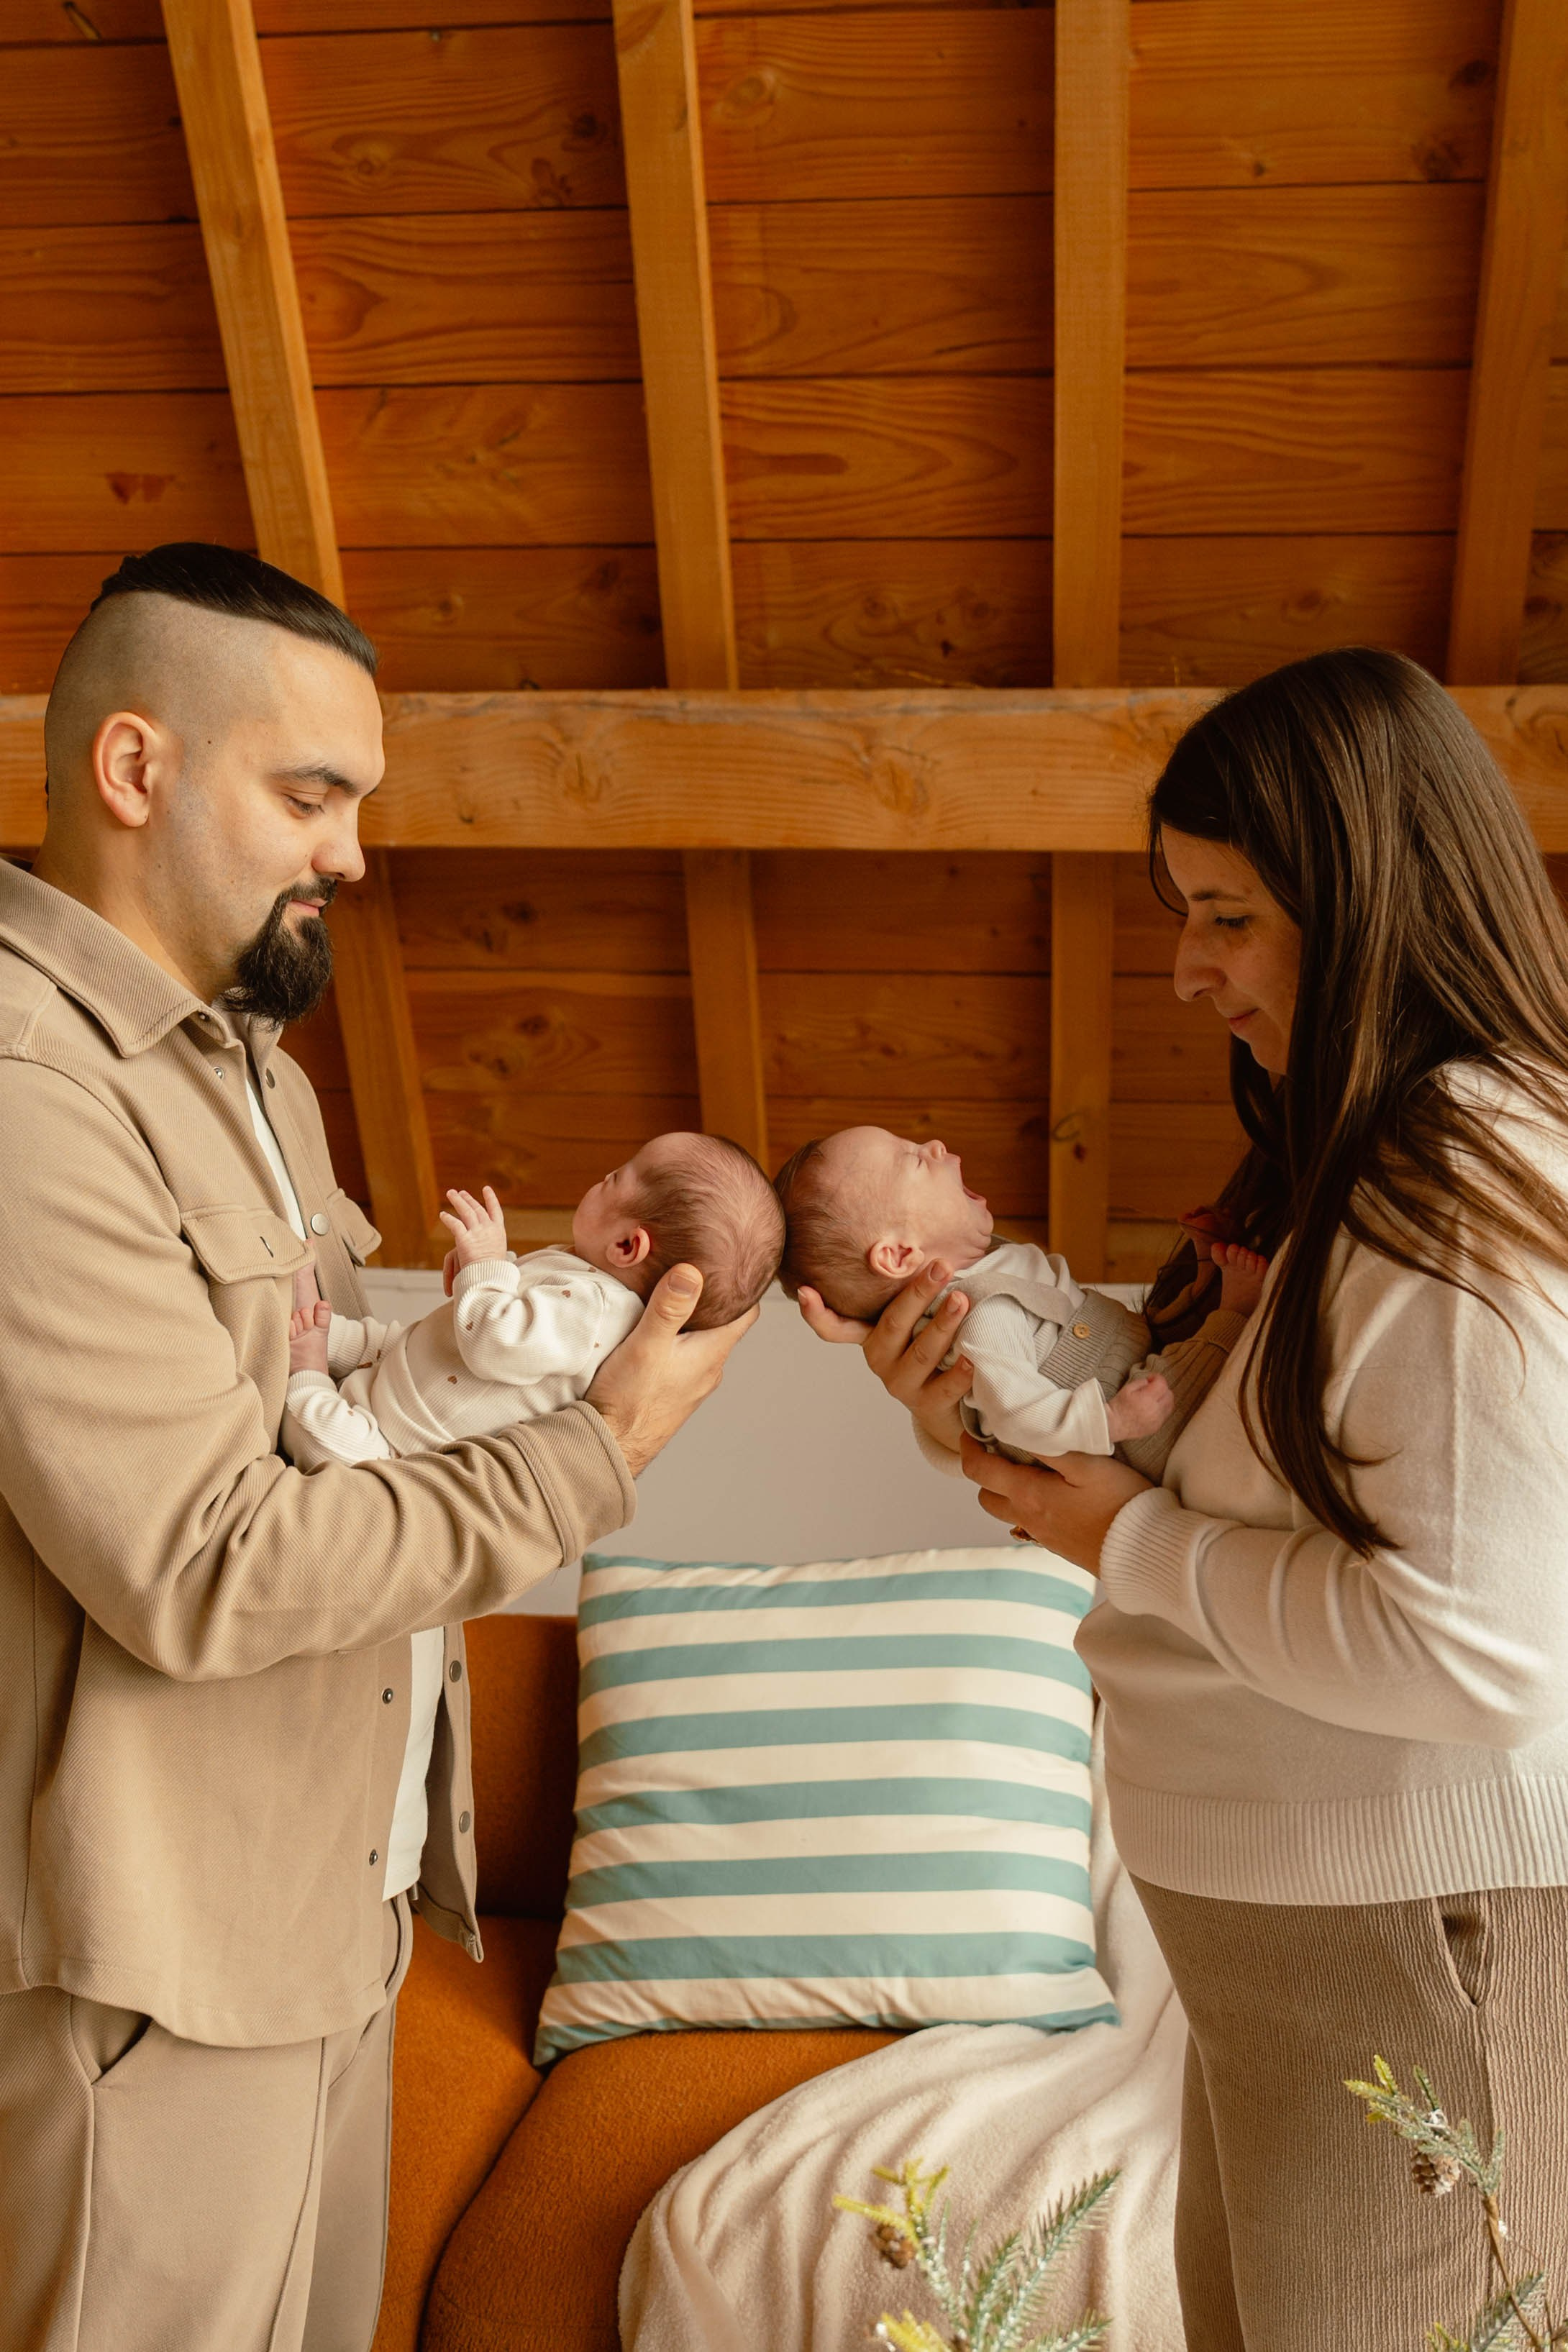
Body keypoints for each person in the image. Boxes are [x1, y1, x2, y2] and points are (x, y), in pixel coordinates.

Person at [0, 542, 756, 2352]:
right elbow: (202, 1562)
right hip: (151, 1974)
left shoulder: (260, 1070)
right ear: (134, 769)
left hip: (324, 1936)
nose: (350, 850)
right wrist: (596, 1448)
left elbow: (343, 1426)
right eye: (311, 794)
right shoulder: (30, 1087)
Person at [801, 647, 1568, 2348]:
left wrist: (1117, 1538)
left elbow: (1477, 1651)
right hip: (1303, 1959)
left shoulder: (1455, 1181)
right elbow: (1218, 1473)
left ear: (1361, 898)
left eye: (1224, 914)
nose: (1183, 971)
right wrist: (979, 1430)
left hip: (1406, 1946)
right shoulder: (1349, 1169)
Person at [778, 1121, 1266, 1478]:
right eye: (912, 1159)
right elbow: (1013, 1415)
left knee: (1167, 1334)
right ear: (900, 1252)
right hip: (1142, 1434)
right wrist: (1110, 1420)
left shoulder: (992, 1265)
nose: (935, 1144)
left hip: (1133, 1356)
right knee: (1185, 1378)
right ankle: (1236, 1311)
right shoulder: (982, 1315)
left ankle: (1207, 1279)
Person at [283, 1138, 784, 1469]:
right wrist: (480, 1272)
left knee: (331, 1446)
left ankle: (306, 1368)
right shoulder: (584, 1275)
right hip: (405, 1369)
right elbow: (512, 1308)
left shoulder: (599, 1315)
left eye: (614, 1177)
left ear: (629, 1246)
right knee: (379, 1339)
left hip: (401, 1444)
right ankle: (320, 1335)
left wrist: (486, 1264)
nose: (600, 1179)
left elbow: (492, 1342)